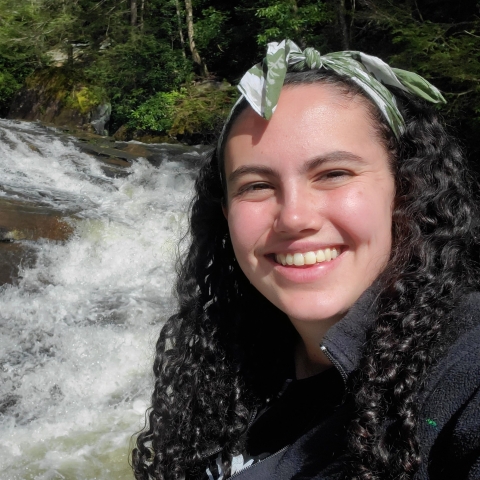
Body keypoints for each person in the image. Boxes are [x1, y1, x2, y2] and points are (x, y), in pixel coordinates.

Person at [132, 40, 480, 480]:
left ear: (405, 188)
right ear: (226, 214)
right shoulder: (227, 359)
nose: (294, 217)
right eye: (256, 185)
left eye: (334, 174)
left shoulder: (465, 373)